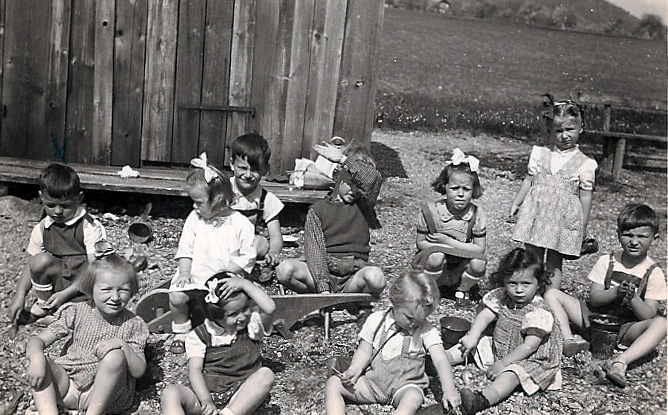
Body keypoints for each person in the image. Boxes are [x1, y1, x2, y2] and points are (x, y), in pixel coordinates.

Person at [545, 203, 666, 387]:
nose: (634, 242)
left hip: (624, 328)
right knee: (552, 293)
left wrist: (633, 298)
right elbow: (594, 299)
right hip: (593, 318)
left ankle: (620, 362)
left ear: (654, 238)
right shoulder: (607, 261)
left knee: (662, 324)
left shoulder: (653, 272)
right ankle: (568, 340)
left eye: (641, 236)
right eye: (628, 235)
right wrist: (615, 292)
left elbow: (648, 314)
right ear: (618, 235)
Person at [25, 243, 149, 415]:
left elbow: (139, 370)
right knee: (37, 360)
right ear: (91, 288)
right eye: (106, 289)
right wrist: (37, 358)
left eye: (123, 290)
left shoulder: (133, 323)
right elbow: (37, 340)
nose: (115, 297)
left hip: (105, 398)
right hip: (68, 388)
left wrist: (122, 345)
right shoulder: (77, 311)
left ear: (132, 290)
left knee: (115, 356)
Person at [325, 271, 461, 415]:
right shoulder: (376, 320)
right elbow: (364, 350)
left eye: (420, 319)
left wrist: (449, 390)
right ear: (393, 302)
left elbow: (440, 359)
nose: (414, 324)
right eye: (409, 318)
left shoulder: (426, 330)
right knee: (334, 383)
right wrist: (354, 369)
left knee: (413, 396)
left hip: (405, 387)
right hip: (373, 385)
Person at [447, 248, 562, 415]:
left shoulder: (538, 311)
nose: (519, 290)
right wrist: (472, 336)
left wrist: (503, 363)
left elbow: (529, 346)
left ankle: (482, 400)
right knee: (475, 342)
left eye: (526, 284)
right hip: (502, 347)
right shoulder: (503, 297)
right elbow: (485, 316)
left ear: (538, 283)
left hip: (530, 357)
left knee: (513, 374)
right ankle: (440, 360)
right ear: (504, 281)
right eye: (512, 283)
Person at [169, 153, 256, 354]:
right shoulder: (195, 218)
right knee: (176, 296)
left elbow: (247, 255)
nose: (194, 206)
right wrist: (184, 272)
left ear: (217, 199)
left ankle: (223, 332)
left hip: (225, 278)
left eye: (199, 202)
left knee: (229, 303)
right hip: (196, 274)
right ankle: (181, 331)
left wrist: (230, 274)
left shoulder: (240, 223)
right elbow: (185, 247)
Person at [509, 95, 597, 289]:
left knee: (554, 261)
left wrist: (582, 224)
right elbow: (529, 180)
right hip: (537, 212)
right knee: (532, 254)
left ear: (581, 128)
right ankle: (531, 290)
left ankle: (551, 294)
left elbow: (585, 196)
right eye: (558, 131)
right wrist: (517, 202)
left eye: (569, 129)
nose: (564, 135)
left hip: (562, 217)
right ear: (550, 131)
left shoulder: (585, 163)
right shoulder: (540, 154)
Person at [276, 143, 385, 295]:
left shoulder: (364, 204)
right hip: (323, 273)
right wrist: (323, 287)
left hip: (353, 276)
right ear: (338, 175)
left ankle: (353, 301)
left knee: (376, 277)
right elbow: (315, 252)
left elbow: (373, 178)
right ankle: (323, 299)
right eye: (351, 183)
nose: (355, 190)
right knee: (285, 270)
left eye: (360, 186)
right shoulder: (318, 210)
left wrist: (343, 159)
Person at [161, 273, 276, 415]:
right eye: (233, 314)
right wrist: (206, 400)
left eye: (245, 308)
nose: (242, 317)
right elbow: (195, 370)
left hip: (240, 396)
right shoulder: (200, 335)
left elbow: (270, 308)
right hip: (207, 395)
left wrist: (244, 284)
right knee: (170, 392)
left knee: (266, 374)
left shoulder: (252, 326)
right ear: (214, 316)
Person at [7, 163, 107, 324]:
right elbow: (30, 266)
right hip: (61, 281)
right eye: (50, 205)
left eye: (65, 206)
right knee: (39, 261)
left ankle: (71, 312)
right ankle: (47, 306)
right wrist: (20, 296)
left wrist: (66, 294)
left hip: (85, 285)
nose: (58, 211)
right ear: (41, 197)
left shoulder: (89, 226)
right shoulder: (42, 228)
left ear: (79, 198)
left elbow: (95, 269)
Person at [413, 148, 487, 307]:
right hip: (433, 263)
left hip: (459, 267)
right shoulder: (431, 211)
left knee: (479, 262)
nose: (460, 194)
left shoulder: (476, 214)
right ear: (444, 186)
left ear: (473, 190)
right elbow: (420, 243)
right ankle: (429, 288)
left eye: (466, 189)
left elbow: (479, 249)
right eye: (454, 188)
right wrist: (440, 248)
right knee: (436, 256)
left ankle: (462, 290)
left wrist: (447, 242)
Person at [228, 134, 284, 281]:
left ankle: (239, 270)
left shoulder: (266, 198)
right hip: (221, 241)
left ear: (265, 170)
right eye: (242, 168)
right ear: (231, 164)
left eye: (255, 170)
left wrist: (274, 252)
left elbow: (275, 235)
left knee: (262, 243)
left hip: (246, 246)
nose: (248, 175)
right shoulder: (223, 190)